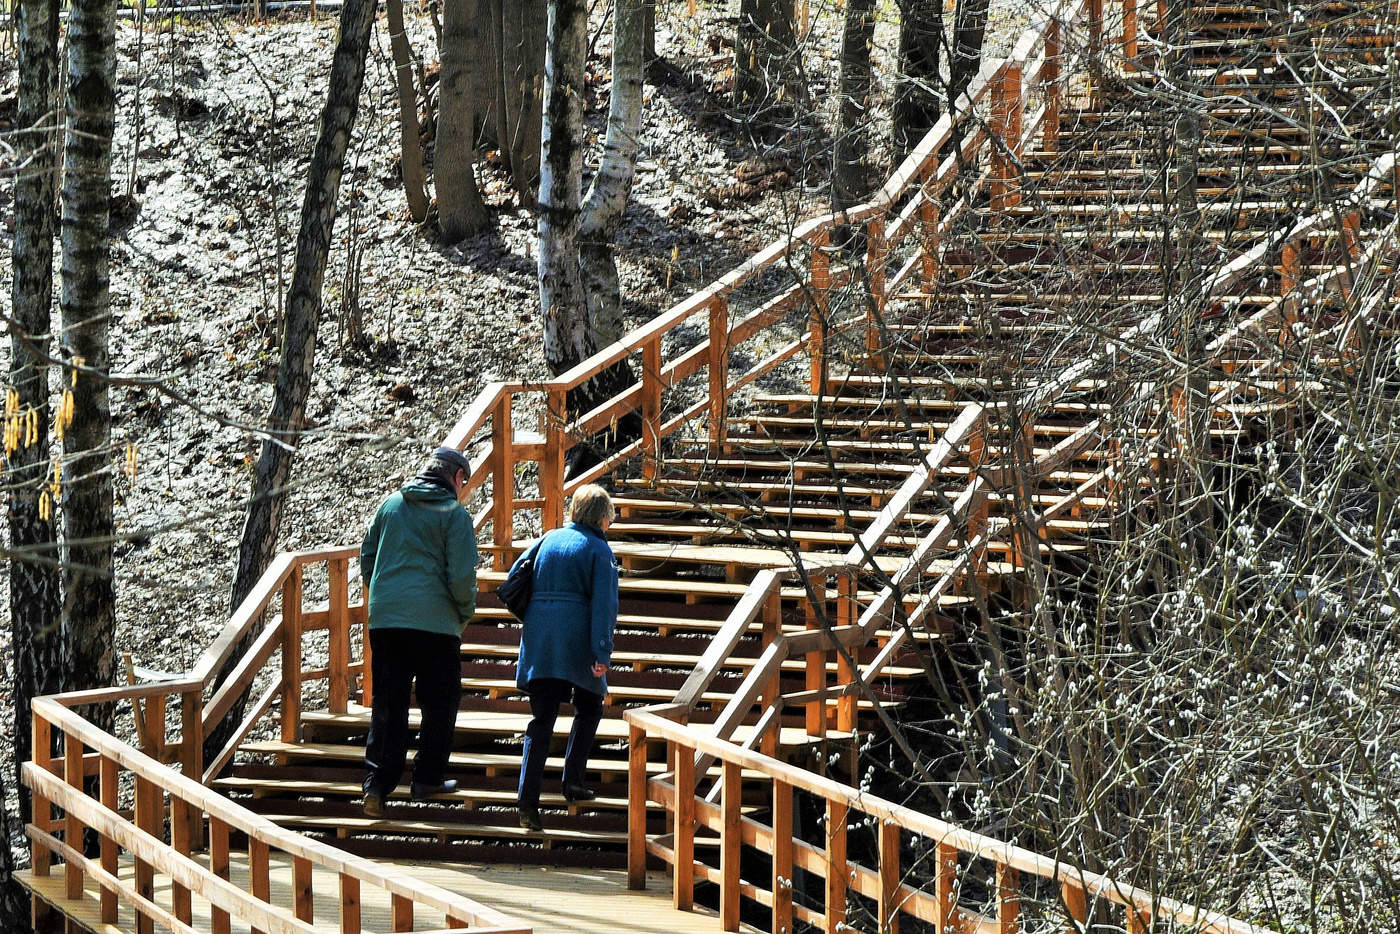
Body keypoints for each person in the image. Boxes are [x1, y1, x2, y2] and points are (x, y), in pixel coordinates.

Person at [360, 446, 478, 818]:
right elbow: (461, 575)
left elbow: (367, 557)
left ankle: (377, 786)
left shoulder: (391, 505)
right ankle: (426, 778)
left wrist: (383, 595)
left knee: (389, 703)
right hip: (436, 625)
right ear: (458, 478)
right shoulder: (454, 516)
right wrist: (464, 612)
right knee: (439, 702)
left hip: (388, 621)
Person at [513, 484, 619, 832]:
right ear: (602, 517)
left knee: (541, 721)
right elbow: (604, 605)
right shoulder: (599, 550)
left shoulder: (548, 538)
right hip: (577, 642)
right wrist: (602, 651)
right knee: (590, 706)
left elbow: (515, 576)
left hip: (540, 639)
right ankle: (572, 781)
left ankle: (528, 805)